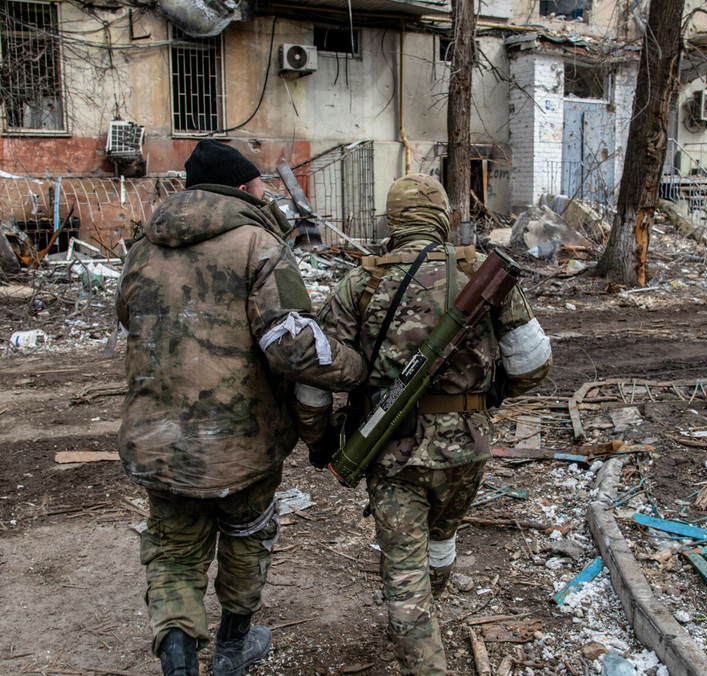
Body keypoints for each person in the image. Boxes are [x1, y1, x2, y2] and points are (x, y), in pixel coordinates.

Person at [115, 140, 366, 676]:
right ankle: (232, 647)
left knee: (174, 554)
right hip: (242, 445)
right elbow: (293, 348)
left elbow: (130, 320)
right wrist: (356, 368)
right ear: (247, 187)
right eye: (259, 184)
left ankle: (180, 663)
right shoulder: (259, 244)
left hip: (160, 446)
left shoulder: (143, 248)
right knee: (247, 538)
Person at [296, 174, 552, 675]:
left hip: (391, 451)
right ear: (441, 217)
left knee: (404, 571)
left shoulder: (360, 282)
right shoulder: (480, 273)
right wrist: (485, 400)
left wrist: (319, 438)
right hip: (469, 448)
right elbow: (533, 362)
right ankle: (426, 609)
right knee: (442, 538)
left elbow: (313, 376)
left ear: (393, 221)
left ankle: (419, 634)